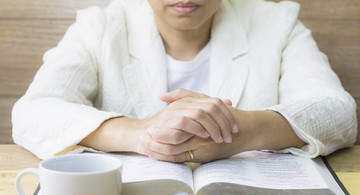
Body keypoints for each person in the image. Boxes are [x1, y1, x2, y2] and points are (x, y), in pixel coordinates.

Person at [12, 0, 357, 162]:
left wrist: (242, 131)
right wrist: (142, 132)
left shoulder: (277, 20)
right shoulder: (100, 26)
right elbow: (31, 112)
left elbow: (339, 112)